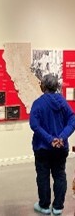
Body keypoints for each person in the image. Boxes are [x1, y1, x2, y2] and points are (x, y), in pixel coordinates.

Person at [30, 74, 75, 215]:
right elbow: (72, 120)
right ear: (56, 86)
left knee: (43, 176)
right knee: (60, 175)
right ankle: (57, 208)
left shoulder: (38, 103)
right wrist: (61, 138)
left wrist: (50, 139)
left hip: (42, 148)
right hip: (61, 148)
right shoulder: (62, 102)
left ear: (43, 86)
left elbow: (34, 125)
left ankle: (44, 206)